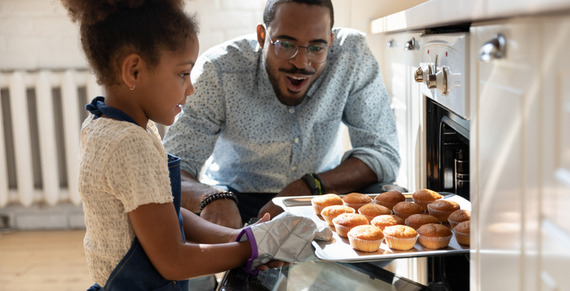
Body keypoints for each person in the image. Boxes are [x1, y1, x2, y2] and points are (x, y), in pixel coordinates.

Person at [62, 0, 330, 290]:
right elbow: (173, 261)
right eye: (182, 73)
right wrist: (255, 248)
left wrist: (236, 238)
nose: (190, 88)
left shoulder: (105, 123)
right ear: (134, 71)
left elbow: (164, 214)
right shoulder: (130, 144)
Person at [163, 0, 401, 229]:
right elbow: (169, 168)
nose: (301, 62)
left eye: (317, 47)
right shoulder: (218, 70)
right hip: (234, 198)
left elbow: (383, 153)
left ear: (331, 41)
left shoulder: (352, 55)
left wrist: (309, 186)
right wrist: (211, 197)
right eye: (286, 44)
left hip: (322, 192)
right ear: (262, 36)